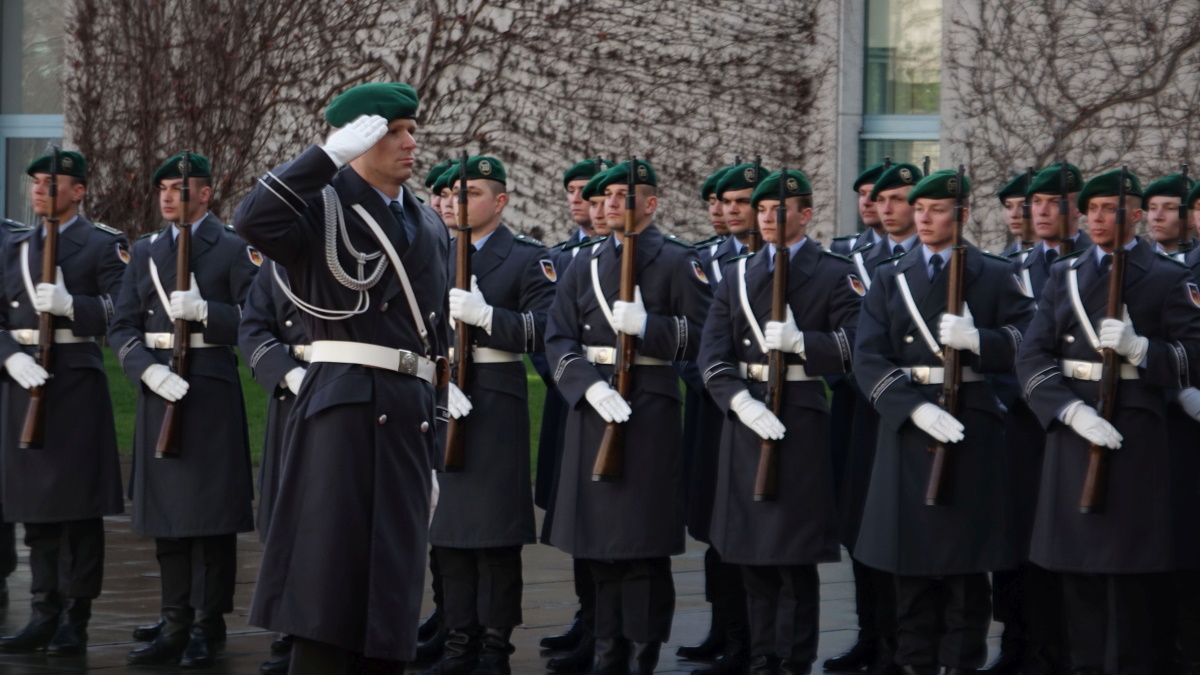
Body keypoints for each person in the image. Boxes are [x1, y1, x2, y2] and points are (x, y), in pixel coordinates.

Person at [234, 82, 450, 673]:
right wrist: (325, 157)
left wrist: (434, 443)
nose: (410, 143)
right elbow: (252, 220)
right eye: (393, 132)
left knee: (391, 596)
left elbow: (436, 340)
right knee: (329, 587)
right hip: (345, 407)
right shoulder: (320, 206)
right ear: (358, 139)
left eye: (412, 131)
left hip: (408, 415)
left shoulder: (429, 222)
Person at [1017, 169, 1200, 675]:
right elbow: (1032, 355)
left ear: (1136, 215)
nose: (1096, 219)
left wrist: (1143, 350)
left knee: (1129, 577)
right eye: (1090, 209)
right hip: (1076, 431)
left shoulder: (1167, 276)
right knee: (1078, 573)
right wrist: (1067, 410)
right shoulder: (1066, 274)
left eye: (1109, 209)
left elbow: (1195, 355)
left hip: (1134, 435)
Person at [854, 169, 1035, 675]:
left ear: (962, 214)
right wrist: (913, 408)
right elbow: (868, 356)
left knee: (965, 569)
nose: (925, 219)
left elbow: (1029, 340)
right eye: (920, 209)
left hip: (970, 425)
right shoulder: (891, 275)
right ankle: (915, 664)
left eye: (937, 210)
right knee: (909, 564)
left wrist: (981, 341)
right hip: (911, 425)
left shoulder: (994, 272)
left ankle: (962, 664)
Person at [545, 159, 711, 675]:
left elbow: (707, 337)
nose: (611, 203)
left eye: (624, 195)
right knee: (596, 543)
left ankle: (641, 653)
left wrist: (650, 328)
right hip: (594, 408)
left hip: (649, 410)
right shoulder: (585, 262)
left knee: (641, 544)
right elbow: (558, 337)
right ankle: (605, 649)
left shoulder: (677, 260)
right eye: (607, 196)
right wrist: (587, 387)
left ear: (651, 203)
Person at [699, 168, 861, 675]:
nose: (767, 218)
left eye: (779, 210)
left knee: (792, 552)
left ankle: (793, 658)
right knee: (750, 549)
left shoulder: (833, 272)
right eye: (763, 210)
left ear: (805, 214)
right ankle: (762, 653)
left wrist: (803, 344)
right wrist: (738, 401)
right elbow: (712, 353)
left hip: (800, 417)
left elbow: (858, 345)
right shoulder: (737, 274)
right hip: (747, 418)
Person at [110, 151, 258, 668]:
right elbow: (122, 325)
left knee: (210, 518)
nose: (169, 197)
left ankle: (207, 624)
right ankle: (174, 620)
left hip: (209, 389)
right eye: (164, 189)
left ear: (205, 193)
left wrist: (207, 312)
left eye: (179, 188)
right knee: (167, 516)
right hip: (160, 387)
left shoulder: (234, 248)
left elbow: (257, 319)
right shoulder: (147, 249)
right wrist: (146, 371)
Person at [419, 155, 556, 675]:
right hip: (440, 397)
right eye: (454, 193)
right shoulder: (430, 254)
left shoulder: (526, 258)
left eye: (472, 193)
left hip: (495, 403)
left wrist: (489, 317)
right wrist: (437, 380)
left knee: (495, 535)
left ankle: (494, 648)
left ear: (499, 201)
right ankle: (458, 644)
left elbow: (547, 329)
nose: (458, 202)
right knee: (447, 531)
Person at [0, 150, 125, 656]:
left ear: (78, 191)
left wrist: (75, 306)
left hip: (74, 384)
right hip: (22, 383)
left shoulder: (102, 244)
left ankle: (76, 617)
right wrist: (9, 357)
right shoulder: (14, 246)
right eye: (35, 181)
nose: (39, 189)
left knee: (77, 511)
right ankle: (42, 611)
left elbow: (124, 310)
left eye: (51, 182)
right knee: (35, 508)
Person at [829, 162, 925, 675]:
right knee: (860, 524)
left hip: (917, 409)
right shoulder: (851, 259)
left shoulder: (941, 260)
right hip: (859, 409)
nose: (883, 207)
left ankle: (909, 642)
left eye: (897, 198)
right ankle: (872, 634)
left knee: (908, 525)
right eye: (876, 198)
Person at [540, 159, 611, 675]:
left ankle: (605, 627)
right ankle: (587, 617)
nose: (578, 199)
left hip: (616, 400)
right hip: (568, 398)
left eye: (587, 191)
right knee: (574, 516)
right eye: (572, 190)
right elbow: (548, 337)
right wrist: (570, 383)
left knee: (607, 514)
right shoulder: (559, 258)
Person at [238, 258, 313, 675]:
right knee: (287, 517)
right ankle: (288, 629)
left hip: (345, 384)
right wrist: (287, 374)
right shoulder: (277, 263)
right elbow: (253, 327)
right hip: (292, 394)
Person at [1019, 163, 1092, 301]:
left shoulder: (1099, 261)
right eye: (1037, 201)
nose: (1042, 211)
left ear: (1078, 209)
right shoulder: (1018, 266)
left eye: (1055, 202)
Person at [1142, 173, 1194, 261]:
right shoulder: (1136, 261)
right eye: (1153, 208)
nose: (1157, 217)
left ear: (1192, 218)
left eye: (1170, 208)